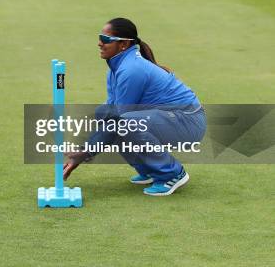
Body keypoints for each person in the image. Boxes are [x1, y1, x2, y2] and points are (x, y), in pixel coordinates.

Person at [63, 17, 206, 196]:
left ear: (123, 45)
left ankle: (172, 174)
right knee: (104, 113)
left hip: (188, 122)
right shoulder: (117, 68)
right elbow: (111, 113)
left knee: (126, 122)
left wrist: (86, 152)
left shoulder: (131, 70)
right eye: (100, 37)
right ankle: (148, 169)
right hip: (171, 118)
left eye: (106, 39)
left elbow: (118, 121)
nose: (100, 43)